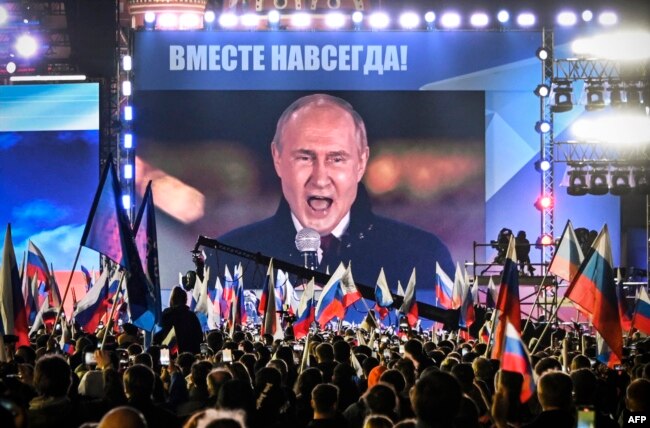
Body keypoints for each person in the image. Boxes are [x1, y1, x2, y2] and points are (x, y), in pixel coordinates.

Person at [209, 94, 454, 312]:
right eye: (305, 157)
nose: (320, 178)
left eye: (337, 159)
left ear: (361, 162)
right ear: (278, 158)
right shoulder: (228, 259)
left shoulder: (422, 256)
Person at [153, 287, 203, 354]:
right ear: (185, 300)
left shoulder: (165, 316)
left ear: (172, 300)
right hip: (190, 355)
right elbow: (199, 337)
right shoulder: (191, 316)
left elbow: (157, 337)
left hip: (169, 356)